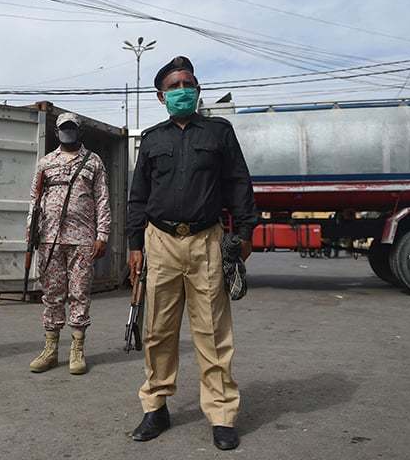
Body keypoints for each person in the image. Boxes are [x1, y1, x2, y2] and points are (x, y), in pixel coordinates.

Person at [126, 56, 257, 450]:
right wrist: (134, 245)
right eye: (174, 85)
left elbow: (238, 182)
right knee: (157, 331)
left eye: (189, 83)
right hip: (160, 242)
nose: (183, 89)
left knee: (214, 332)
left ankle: (221, 414)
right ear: (161, 95)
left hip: (207, 241)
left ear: (198, 89)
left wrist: (247, 232)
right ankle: (156, 407)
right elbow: (138, 197)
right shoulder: (151, 139)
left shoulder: (219, 132)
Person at [27, 112, 111, 375]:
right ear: (56, 132)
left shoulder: (93, 161)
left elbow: (102, 200)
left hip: (83, 240)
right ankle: (51, 349)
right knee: (52, 294)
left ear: (79, 130)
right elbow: (34, 198)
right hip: (50, 239)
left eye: (72, 127)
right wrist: (31, 232)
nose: (67, 131)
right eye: (63, 128)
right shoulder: (46, 163)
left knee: (79, 293)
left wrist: (102, 234)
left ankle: (77, 349)